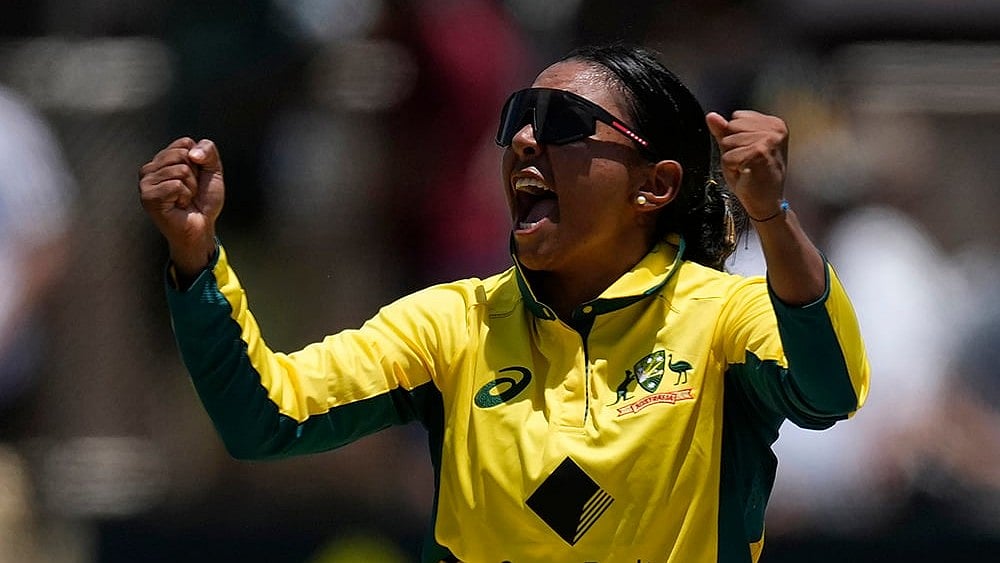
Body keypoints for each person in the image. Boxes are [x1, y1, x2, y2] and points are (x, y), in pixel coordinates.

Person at [138, 43, 869, 563]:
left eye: (560, 123)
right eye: (518, 117)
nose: (522, 140)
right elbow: (266, 418)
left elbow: (828, 389)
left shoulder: (722, 317)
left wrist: (771, 217)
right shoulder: (452, 324)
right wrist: (196, 261)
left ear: (655, 185)